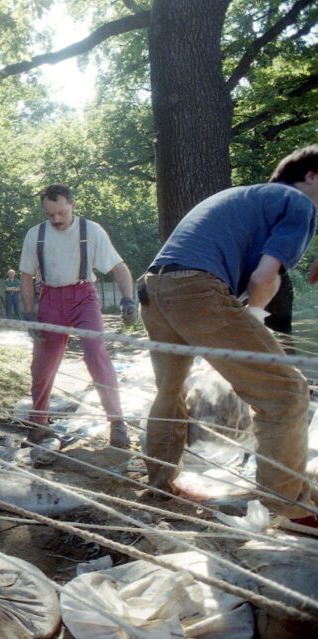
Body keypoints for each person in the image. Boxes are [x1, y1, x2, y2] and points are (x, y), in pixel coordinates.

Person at [141, 145, 318, 532]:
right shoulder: (299, 203)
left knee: (170, 391)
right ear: (312, 175)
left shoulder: (248, 197)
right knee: (286, 392)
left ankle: (158, 486)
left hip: (155, 288)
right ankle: (288, 507)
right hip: (198, 291)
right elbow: (262, 279)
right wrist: (254, 316)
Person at [19, 184, 136, 460]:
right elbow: (26, 276)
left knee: (96, 353)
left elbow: (119, 267)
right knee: (43, 364)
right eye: (50, 215)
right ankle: (38, 424)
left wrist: (128, 299)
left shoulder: (91, 231)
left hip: (83, 296)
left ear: (73, 204)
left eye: (61, 212)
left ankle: (117, 423)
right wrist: (28, 314)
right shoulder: (35, 235)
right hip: (50, 298)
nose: (56, 219)